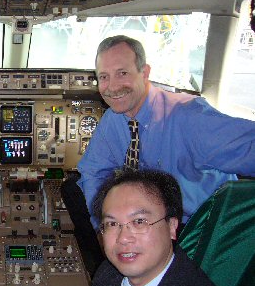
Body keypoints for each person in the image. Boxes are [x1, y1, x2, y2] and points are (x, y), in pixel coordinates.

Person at [76, 35, 255, 237]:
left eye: (122, 73)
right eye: (104, 77)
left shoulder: (189, 116)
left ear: (144, 72)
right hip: (152, 222)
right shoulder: (113, 119)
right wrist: (104, 225)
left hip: (201, 226)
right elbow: (93, 171)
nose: (113, 87)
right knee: (71, 191)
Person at [51, 169, 247, 286]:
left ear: (172, 226)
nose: (123, 238)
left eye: (139, 222)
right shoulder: (110, 275)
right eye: (112, 224)